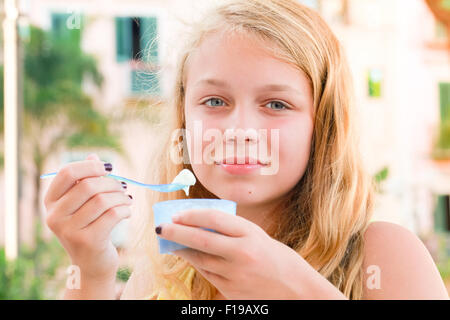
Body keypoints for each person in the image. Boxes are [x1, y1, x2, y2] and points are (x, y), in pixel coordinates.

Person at [43, 0, 449, 300]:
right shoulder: (167, 271)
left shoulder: (383, 255)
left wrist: (297, 290)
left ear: (321, 124)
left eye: (276, 104)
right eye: (215, 102)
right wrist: (91, 272)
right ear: (183, 120)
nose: (239, 131)